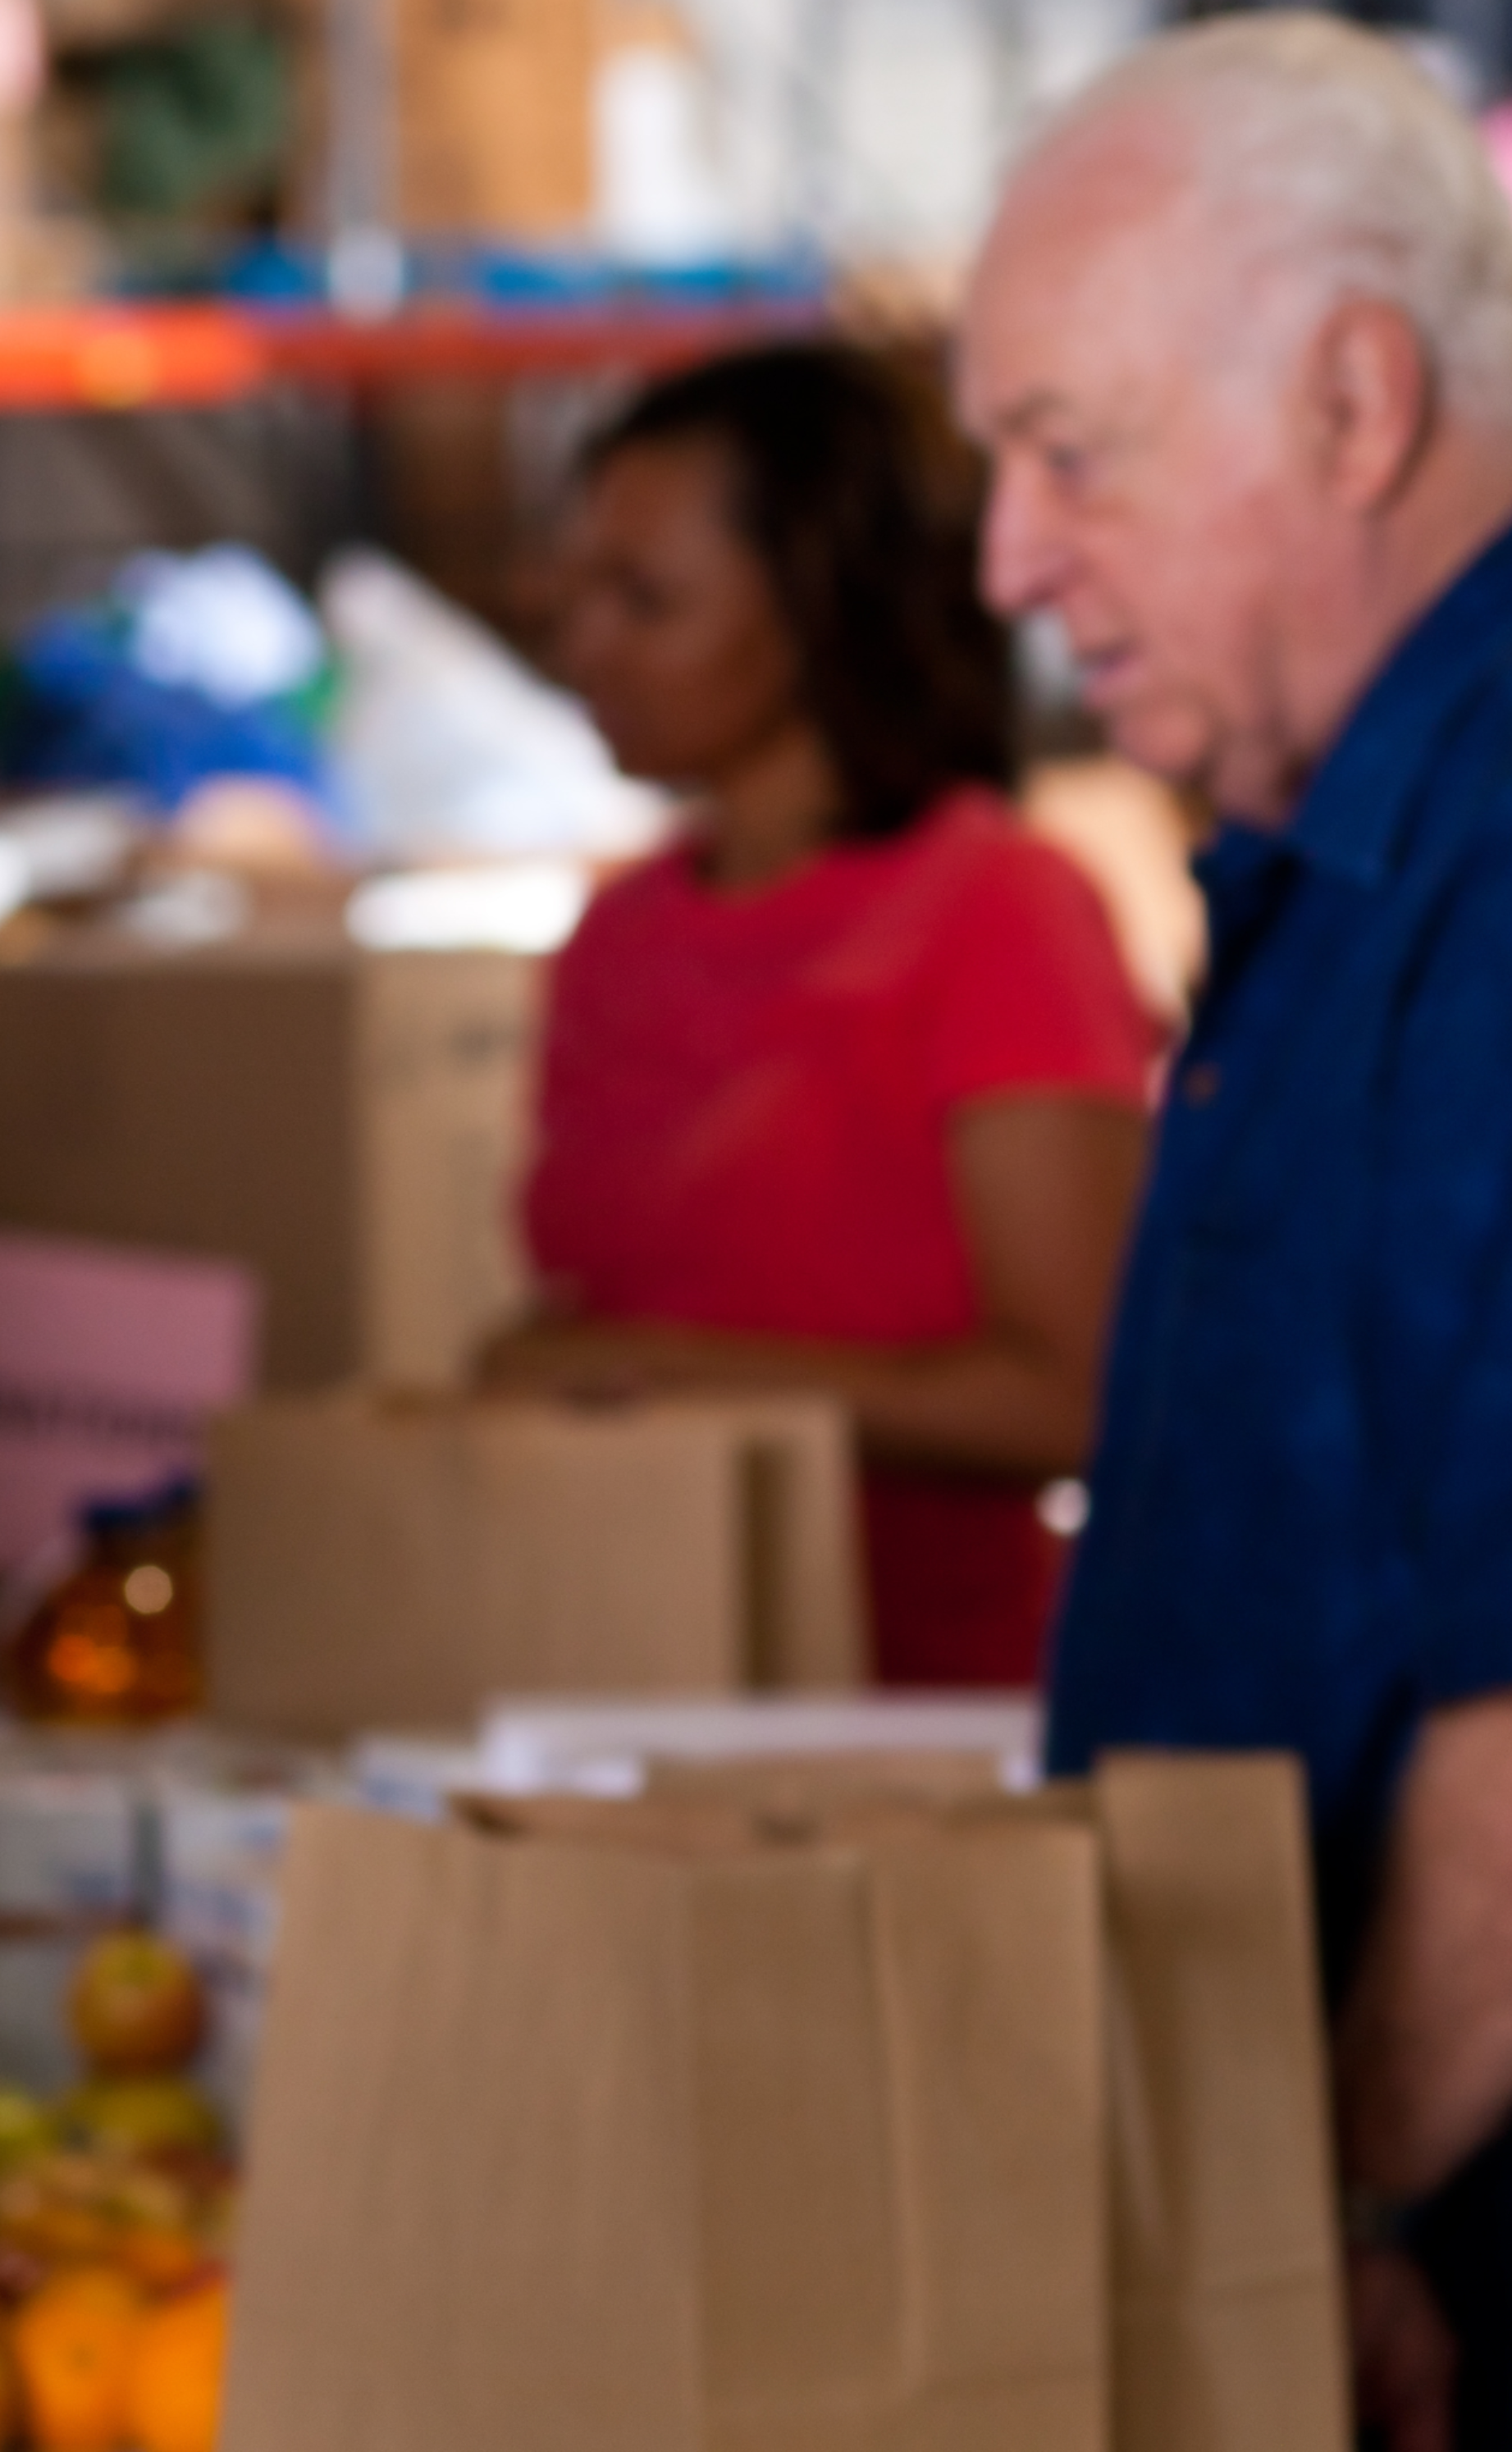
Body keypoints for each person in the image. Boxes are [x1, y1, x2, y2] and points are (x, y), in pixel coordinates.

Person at [967, 21, 1512, 2446]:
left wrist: (1331, 2204)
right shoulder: (1403, 814)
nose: (1009, 556)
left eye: (1065, 451)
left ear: (1349, 403)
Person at [484, 343, 1154, 1689]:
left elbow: (1083, 1397)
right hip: (631, 1673)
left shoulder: (995, 912)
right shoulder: (617, 933)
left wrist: (661, 1382)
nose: (583, 645)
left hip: (929, 1713)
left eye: (646, 598)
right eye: (574, 592)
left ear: (819, 607)